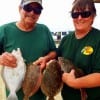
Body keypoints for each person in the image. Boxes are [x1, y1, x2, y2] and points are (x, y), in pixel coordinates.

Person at [0, 0, 57, 100]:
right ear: (19, 8)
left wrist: (46, 58)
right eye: (28, 8)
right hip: (15, 95)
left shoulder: (44, 30)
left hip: (39, 93)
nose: (32, 13)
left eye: (37, 10)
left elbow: (54, 52)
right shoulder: (4, 30)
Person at [57, 0, 100, 100]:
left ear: (93, 16)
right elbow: (56, 61)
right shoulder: (65, 40)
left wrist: (75, 83)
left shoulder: (98, 39)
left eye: (85, 14)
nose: (79, 18)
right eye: (75, 14)